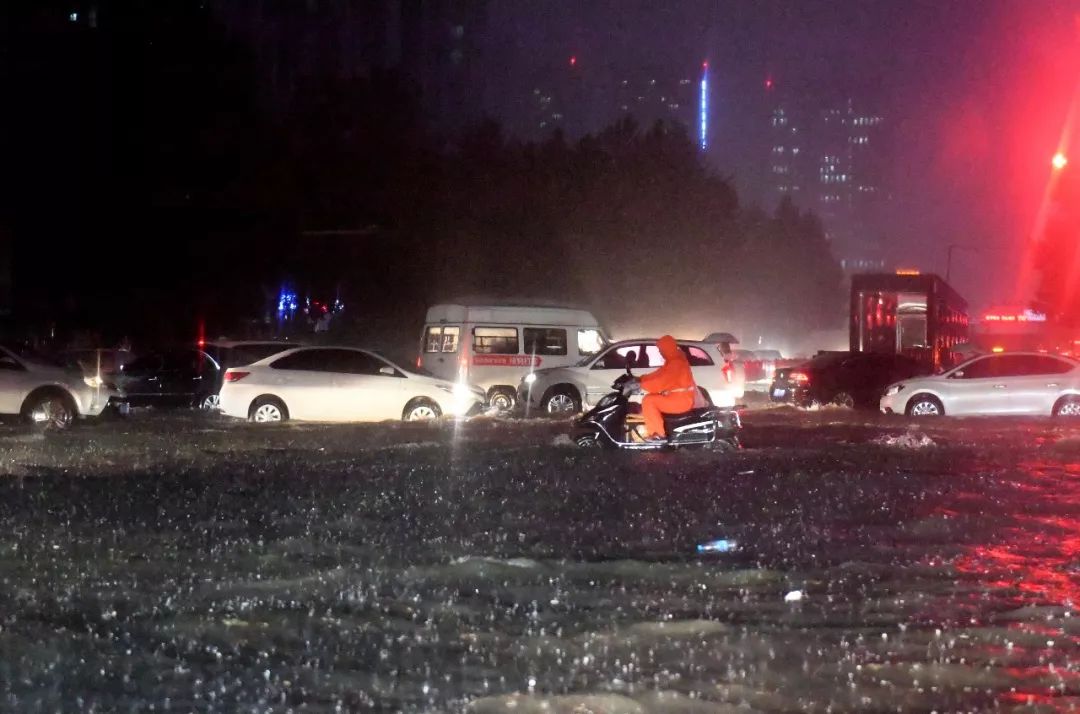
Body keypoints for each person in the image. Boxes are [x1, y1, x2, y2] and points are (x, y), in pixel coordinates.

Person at [639, 335, 697, 442]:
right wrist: (641, 379)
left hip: (681, 400)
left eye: (661, 350)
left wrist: (641, 384)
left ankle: (658, 435)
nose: (660, 353)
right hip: (680, 397)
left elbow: (660, 382)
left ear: (667, 348)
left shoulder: (676, 363)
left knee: (649, 401)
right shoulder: (674, 359)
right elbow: (658, 374)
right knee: (651, 398)